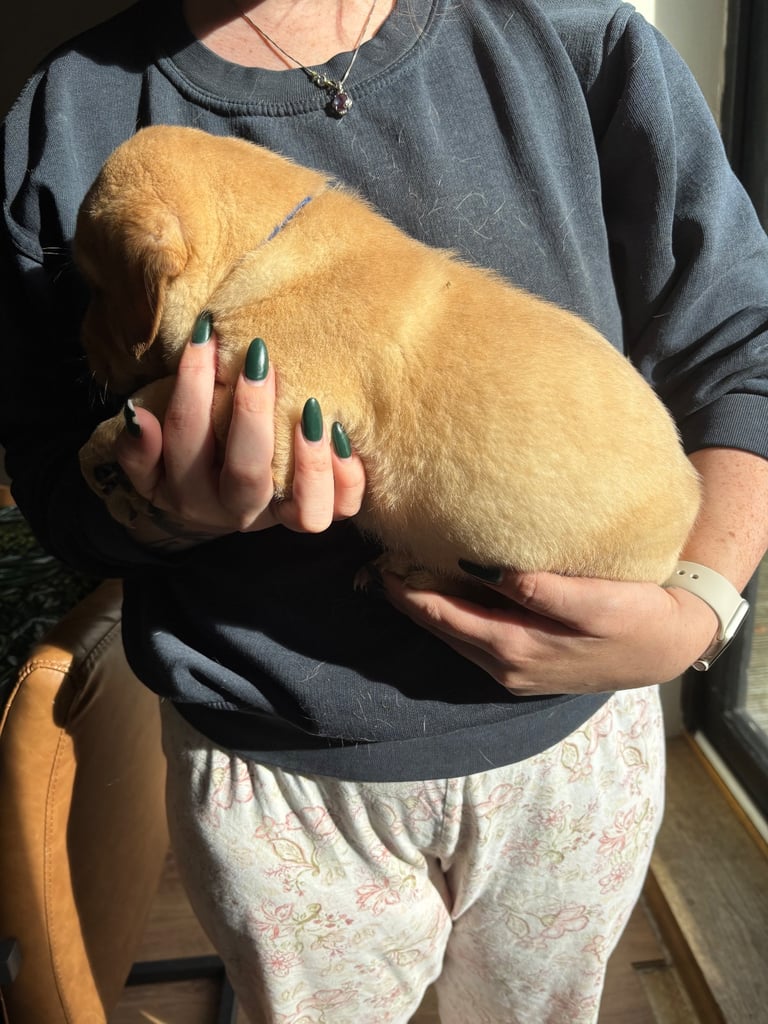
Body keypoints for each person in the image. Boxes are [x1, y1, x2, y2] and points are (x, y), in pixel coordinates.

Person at [2, 1, 767, 1021]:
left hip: (574, 747)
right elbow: (52, 481)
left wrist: (701, 606)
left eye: (111, 297)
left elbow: (744, 348)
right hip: (277, 766)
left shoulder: (582, 43)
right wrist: (153, 503)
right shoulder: (68, 113)